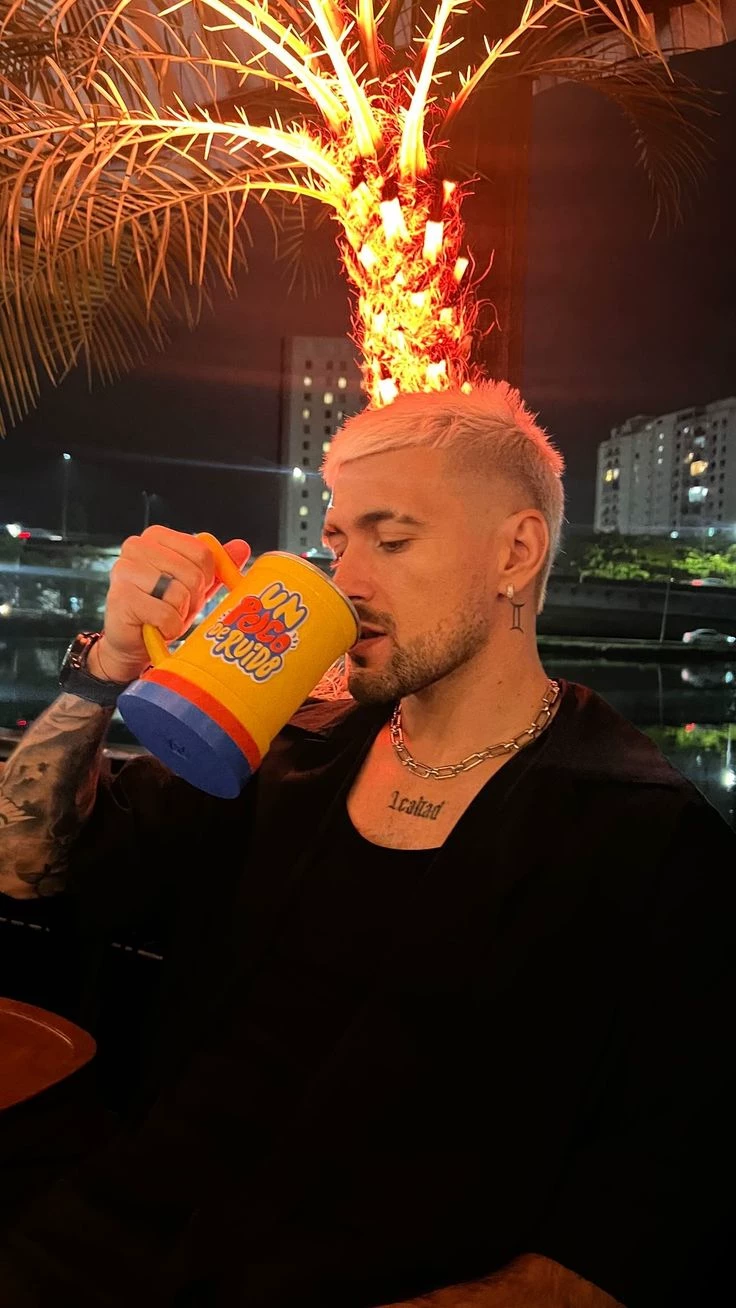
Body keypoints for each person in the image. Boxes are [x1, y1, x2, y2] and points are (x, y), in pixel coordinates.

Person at [0, 382, 733, 1308]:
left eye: (392, 542)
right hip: (103, 1238)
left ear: (516, 552)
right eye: (339, 541)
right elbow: (22, 864)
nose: (347, 581)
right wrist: (107, 666)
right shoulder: (282, 750)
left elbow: (620, 1245)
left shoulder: (648, 841)